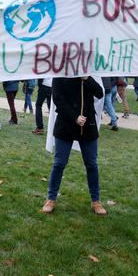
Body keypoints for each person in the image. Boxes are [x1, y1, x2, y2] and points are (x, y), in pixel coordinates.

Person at [41, 76, 107, 215]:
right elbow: (58, 99)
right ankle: (51, 199)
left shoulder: (89, 72)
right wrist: (74, 116)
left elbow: (100, 93)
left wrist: (87, 78)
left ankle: (96, 201)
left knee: (92, 164)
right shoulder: (61, 72)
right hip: (65, 124)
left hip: (87, 125)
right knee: (59, 163)